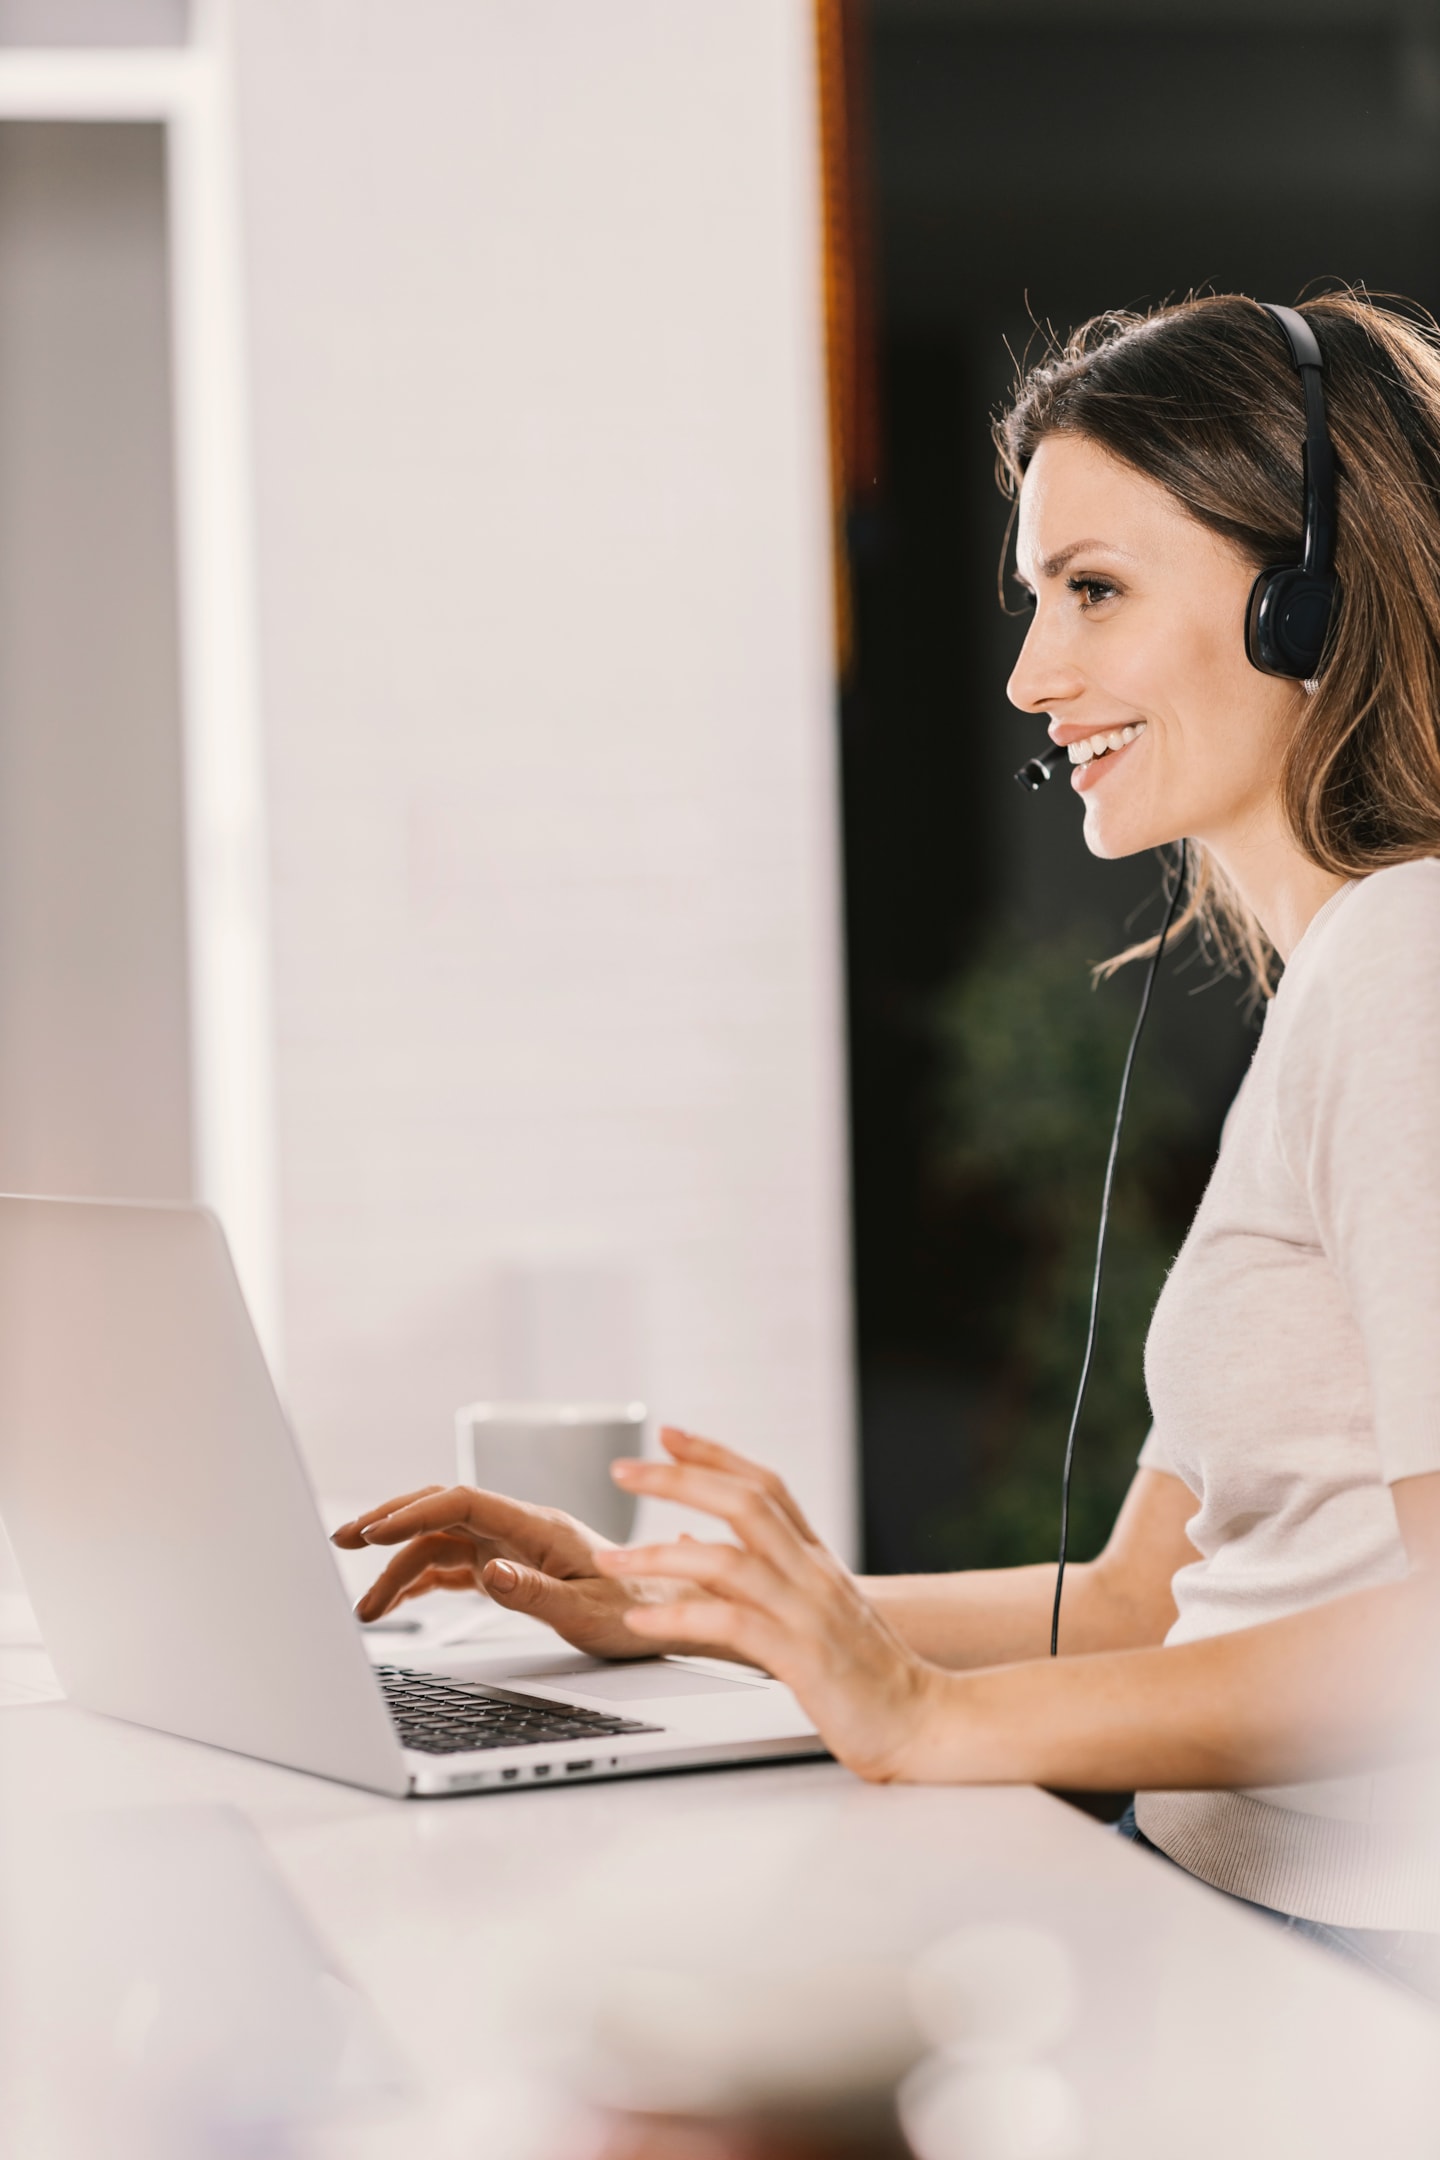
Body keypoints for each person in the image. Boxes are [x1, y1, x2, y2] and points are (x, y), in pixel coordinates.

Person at [335, 291, 1440, 1984]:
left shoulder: (1409, 964)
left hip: (1349, 1958)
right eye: (1034, 600)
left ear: (1307, 598)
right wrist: (682, 1609)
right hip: (1240, 1913)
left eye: (1095, 591)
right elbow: (1152, 1598)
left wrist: (927, 1723)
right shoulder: (1348, 988)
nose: (1028, 675)